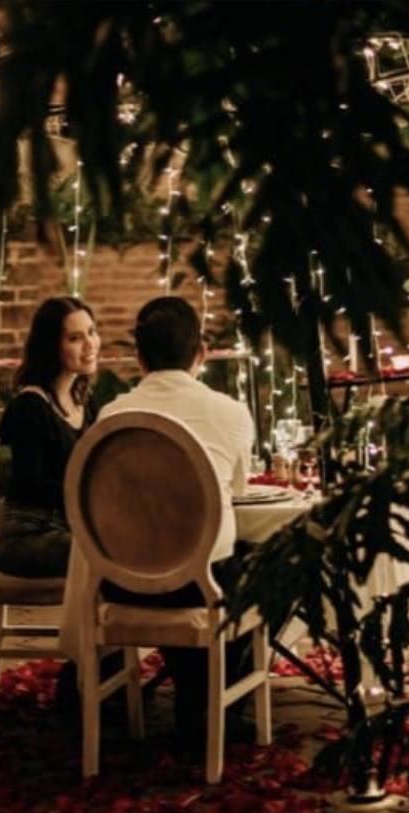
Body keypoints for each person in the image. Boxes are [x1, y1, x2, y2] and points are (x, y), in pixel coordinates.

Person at [97, 296, 256, 749]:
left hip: (122, 581)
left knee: (182, 557)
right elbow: (239, 491)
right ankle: (215, 706)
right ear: (201, 352)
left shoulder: (111, 417)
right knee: (260, 566)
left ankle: (196, 698)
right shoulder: (229, 412)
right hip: (200, 585)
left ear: (139, 357)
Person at [0, 296, 100, 579]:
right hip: (24, 535)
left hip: (66, 527)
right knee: (111, 552)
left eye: (91, 332)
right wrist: (94, 495)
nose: (90, 344)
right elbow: (30, 486)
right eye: (75, 338)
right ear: (51, 346)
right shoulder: (29, 407)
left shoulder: (84, 401)